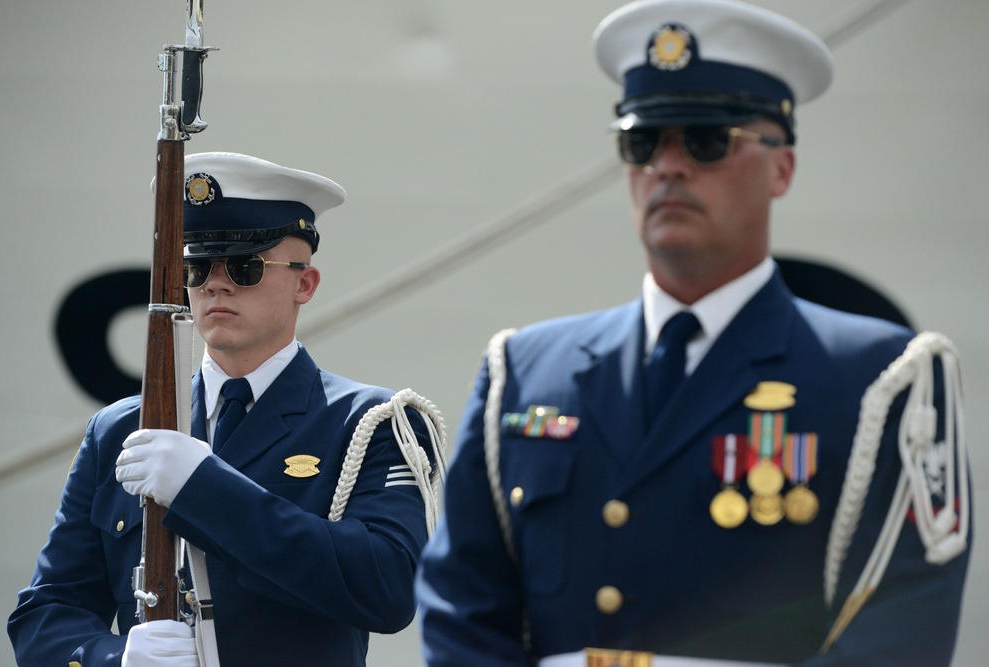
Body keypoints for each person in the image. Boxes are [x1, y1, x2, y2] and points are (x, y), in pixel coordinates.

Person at [415, 1, 970, 666]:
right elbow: (460, 609)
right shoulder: (523, 369)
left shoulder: (885, 380)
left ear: (781, 169)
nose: (667, 166)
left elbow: (898, 627)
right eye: (641, 141)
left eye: (706, 140)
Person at [8, 152, 445, 666]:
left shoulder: (371, 423)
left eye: (245, 266)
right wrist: (116, 659)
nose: (217, 283)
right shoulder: (121, 427)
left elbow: (388, 588)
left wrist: (203, 488)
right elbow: (46, 612)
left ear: (305, 283)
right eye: (197, 267)